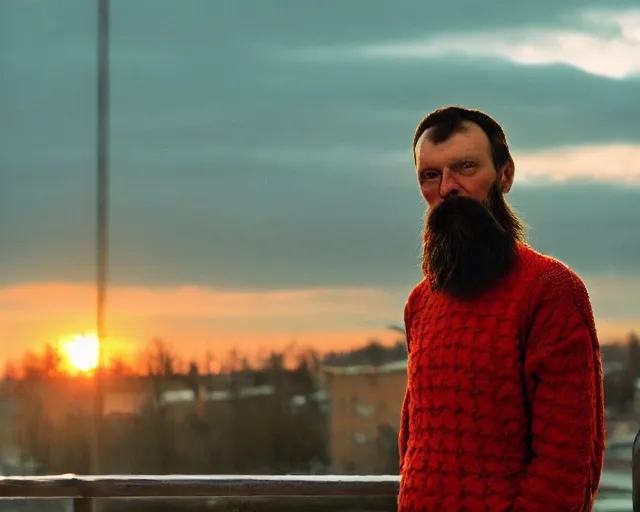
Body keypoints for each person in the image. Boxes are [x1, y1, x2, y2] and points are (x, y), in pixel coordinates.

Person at [397, 106, 605, 512]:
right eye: (431, 175)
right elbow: (415, 443)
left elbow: (566, 463)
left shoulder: (551, 290)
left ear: (505, 175)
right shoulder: (421, 301)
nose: (448, 188)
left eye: (466, 167)